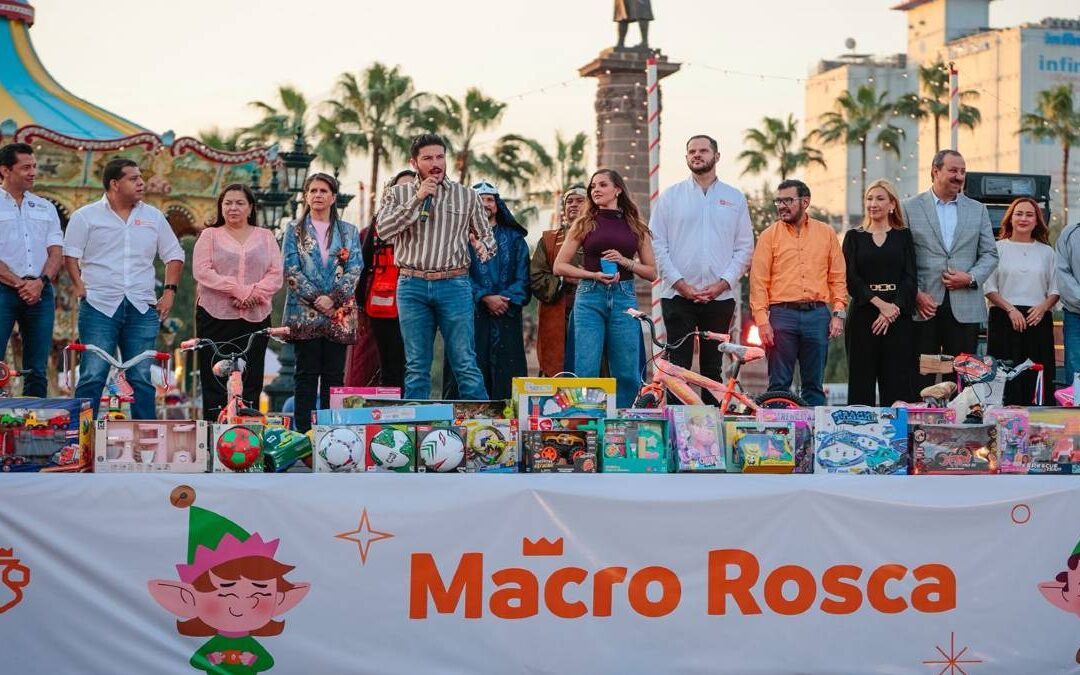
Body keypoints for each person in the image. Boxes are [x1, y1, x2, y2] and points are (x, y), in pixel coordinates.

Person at [377, 134, 496, 400]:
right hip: (411, 285)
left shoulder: (467, 196)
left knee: (465, 361)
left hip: (454, 284)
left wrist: (482, 247)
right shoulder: (397, 194)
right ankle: (415, 427)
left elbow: (488, 238)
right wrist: (417, 198)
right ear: (414, 162)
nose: (435, 163)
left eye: (440, 157)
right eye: (428, 158)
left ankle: (484, 431)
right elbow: (384, 231)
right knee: (417, 366)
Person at [63, 157, 184, 419]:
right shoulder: (85, 216)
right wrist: (78, 284)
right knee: (92, 375)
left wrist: (170, 291)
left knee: (141, 377)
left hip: (142, 305)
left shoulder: (153, 217)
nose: (141, 182)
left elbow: (175, 254)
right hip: (98, 305)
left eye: (141, 177)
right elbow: (69, 254)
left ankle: (147, 444)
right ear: (115, 184)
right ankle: (81, 442)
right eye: (133, 178)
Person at [650, 135, 754, 405]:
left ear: (716, 156)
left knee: (712, 368)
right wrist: (680, 284)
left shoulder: (734, 198)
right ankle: (677, 432)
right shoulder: (670, 197)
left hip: (719, 298)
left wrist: (722, 284)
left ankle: (712, 434)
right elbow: (657, 244)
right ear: (686, 158)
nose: (697, 155)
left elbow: (744, 248)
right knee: (677, 368)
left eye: (703, 150)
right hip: (677, 296)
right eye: (692, 151)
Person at [553, 169, 657, 407]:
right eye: (593, 186)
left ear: (618, 189)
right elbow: (560, 266)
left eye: (602, 185)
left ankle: (622, 423)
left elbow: (652, 272)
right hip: (590, 296)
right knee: (585, 368)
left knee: (627, 370)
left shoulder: (636, 227)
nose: (595, 190)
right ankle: (584, 421)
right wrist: (592, 275)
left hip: (624, 297)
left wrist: (625, 261)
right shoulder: (584, 223)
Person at [901, 150, 998, 387]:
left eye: (963, 171)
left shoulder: (978, 210)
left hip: (965, 306)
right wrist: (915, 294)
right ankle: (921, 422)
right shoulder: (908, 207)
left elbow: (990, 254)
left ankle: (960, 421)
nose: (959, 176)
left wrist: (970, 277)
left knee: (961, 377)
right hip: (924, 306)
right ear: (935, 171)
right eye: (953, 170)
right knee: (922, 375)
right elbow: (901, 259)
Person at [749, 179, 846, 406]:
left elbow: (837, 277)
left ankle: (813, 437)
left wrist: (838, 313)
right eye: (779, 201)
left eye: (788, 200)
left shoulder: (826, 233)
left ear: (805, 201)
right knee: (779, 386)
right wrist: (762, 321)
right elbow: (758, 282)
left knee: (814, 385)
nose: (782, 206)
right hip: (782, 316)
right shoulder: (768, 236)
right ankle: (778, 438)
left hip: (817, 315)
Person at [192, 183, 283, 421]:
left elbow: (276, 273)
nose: (233, 208)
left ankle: (248, 433)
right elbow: (202, 271)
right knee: (215, 376)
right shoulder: (209, 235)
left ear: (251, 207)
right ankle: (214, 434)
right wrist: (237, 290)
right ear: (221, 206)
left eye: (240, 203)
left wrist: (255, 293)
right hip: (215, 315)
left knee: (251, 375)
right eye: (228, 203)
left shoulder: (266, 237)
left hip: (256, 316)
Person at [282, 173, 363, 432]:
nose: (318, 195)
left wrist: (334, 298)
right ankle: (304, 434)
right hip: (305, 311)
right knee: (305, 375)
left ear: (333, 197)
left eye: (323, 191)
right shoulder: (293, 230)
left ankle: (331, 433)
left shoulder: (348, 231)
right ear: (306, 196)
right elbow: (291, 269)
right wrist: (317, 299)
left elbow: (355, 267)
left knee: (333, 376)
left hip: (338, 313)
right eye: (313, 190)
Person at [444, 181, 530, 399]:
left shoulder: (515, 239)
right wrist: (484, 297)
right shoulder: (456, 239)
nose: (485, 205)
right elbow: (455, 274)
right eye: (479, 200)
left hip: (506, 315)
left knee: (507, 376)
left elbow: (524, 279)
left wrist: (502, 301)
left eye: (490, 200)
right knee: (467, 368)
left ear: (497, 204)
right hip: (470, 315)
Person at [842, 179, 917, 405]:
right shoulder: (854, 237)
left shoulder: (903, 236)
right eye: (869, 198)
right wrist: (881, 305)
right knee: (860, 379)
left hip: (898, 315)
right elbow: (851, 279)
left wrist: (893, 308)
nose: (873, 203)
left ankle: (896, 436)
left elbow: (910, 277)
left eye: (880, 198)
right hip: (864, 314)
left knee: (896, 379)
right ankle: (859, 432)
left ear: (892, 204)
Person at [0, 143, 62, 397]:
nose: (32, 172)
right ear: (5, 170)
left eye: (34, 166)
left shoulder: (45, 207)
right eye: (26, 167)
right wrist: (18, 283)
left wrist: (40, 282)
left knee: (37, 367)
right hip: (3, 290)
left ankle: (36, 429)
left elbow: (56, 252)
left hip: (40, 291)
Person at [984, 197, 1059, 405]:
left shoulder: (1047, 252)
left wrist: (1043, 308)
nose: (1023, 218)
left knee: (1037, 376)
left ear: (1037, 221)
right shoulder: (997, 249)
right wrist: (1010, 310)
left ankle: (1039, 431)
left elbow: (1055, 289)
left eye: (1029, 214)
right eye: (1019, 214)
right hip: (1003, 318)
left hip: (1038, 319)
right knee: (1003, 377)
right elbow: (989, 288)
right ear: (1010, 219)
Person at [350, 169, 415, 389]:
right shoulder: (380, 222)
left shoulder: (428, 220)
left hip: (417, 302)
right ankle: (392, 413)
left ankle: (414, 409)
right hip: (383, 302)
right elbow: (362, 263)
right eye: (401, 187)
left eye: (411, 186)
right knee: (388, 362)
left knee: (415, 362)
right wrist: (359, 305)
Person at [530, 185, 587, 376]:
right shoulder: (548, 240)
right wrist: (564, 279)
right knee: (556, 369)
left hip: (592, 310)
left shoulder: (600, 238)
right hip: (557, 312)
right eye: (569, 201)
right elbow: (536, 277)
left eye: (580, 201)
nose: (573, 205)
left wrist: (586, 278)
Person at [1057, 217, 1080, 388]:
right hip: (1075, 315)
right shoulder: (1070, 234)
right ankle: (1076, 413)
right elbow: (1061, 273)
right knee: (1075, 369)